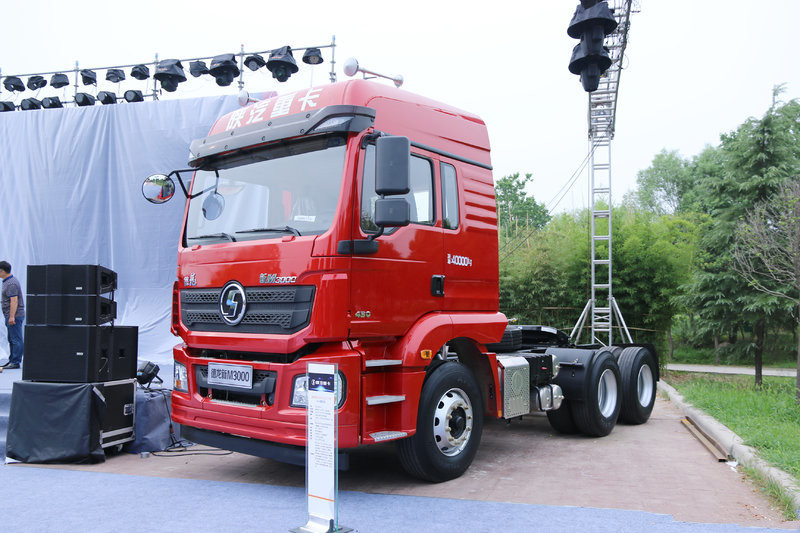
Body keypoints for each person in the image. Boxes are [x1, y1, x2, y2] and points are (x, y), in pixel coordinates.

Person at [1, 261, 24, 370]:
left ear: (2, 271)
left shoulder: (11, 284)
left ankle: (15, 361)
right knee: (11, 338)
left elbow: (14, 301)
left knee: (15, 339)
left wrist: (11, 316)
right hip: (10, 315)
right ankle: (12, 360)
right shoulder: (7, 282)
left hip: (14, 315)